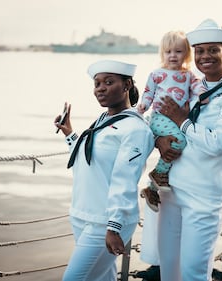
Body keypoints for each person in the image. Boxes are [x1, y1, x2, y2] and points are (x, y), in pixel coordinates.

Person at [154, 19, 222, 281]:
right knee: (169, 273)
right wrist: (158, 140)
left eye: (212, 49)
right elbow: (158, 117)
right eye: (199, 50)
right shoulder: (190, 85)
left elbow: (218, 143)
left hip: (204, 195)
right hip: (172, 189)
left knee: (194, 275)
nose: (205, 56)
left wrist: (182, 121)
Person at [54, 59, 154, 281]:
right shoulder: (103, 120)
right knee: (101, 278)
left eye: (108, 82)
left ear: (127, 85)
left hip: (105, 220)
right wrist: (70, 134)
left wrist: (114, 226)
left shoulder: (135, 129)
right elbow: (89, 160)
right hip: (83, 213)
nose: (100, 88)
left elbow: (125, 180)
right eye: (97, 83)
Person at [138, 30, 204, 202]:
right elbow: (148, 93)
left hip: (176, 118)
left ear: (187, 54)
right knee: (179, 141)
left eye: (178, 51)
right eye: (168, 52)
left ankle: (152, 188)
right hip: (159, 117)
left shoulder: (188, 75)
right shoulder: (156, 74)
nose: (173, 56)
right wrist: (143, 105)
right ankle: (158, 173)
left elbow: (197, 87)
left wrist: (203, 95)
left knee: (181, 141)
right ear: (163, 53)